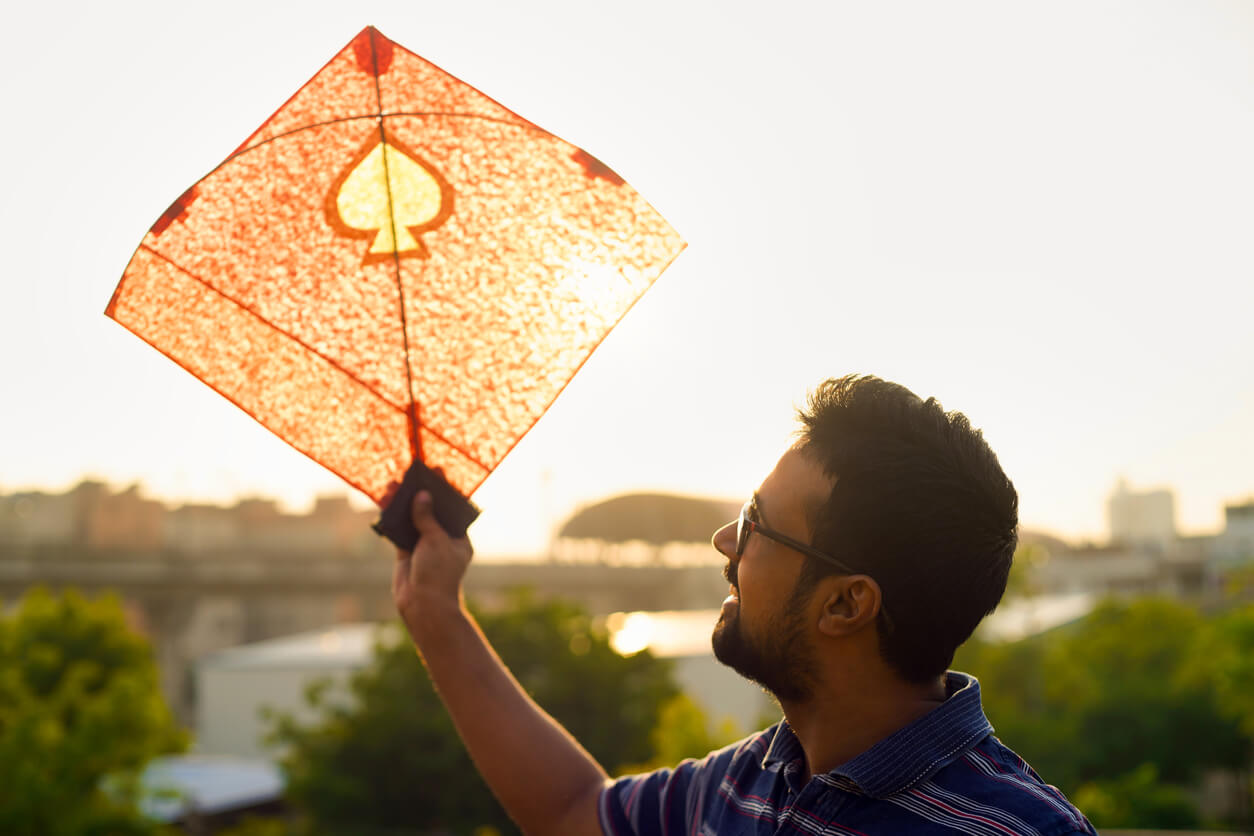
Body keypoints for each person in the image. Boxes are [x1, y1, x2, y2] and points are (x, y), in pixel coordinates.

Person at [393, 374, 1096, 835]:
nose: (725, 540)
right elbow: (572, 811)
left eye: (756, 523)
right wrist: (436, 615)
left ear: (846, 604)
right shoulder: (750, 784)